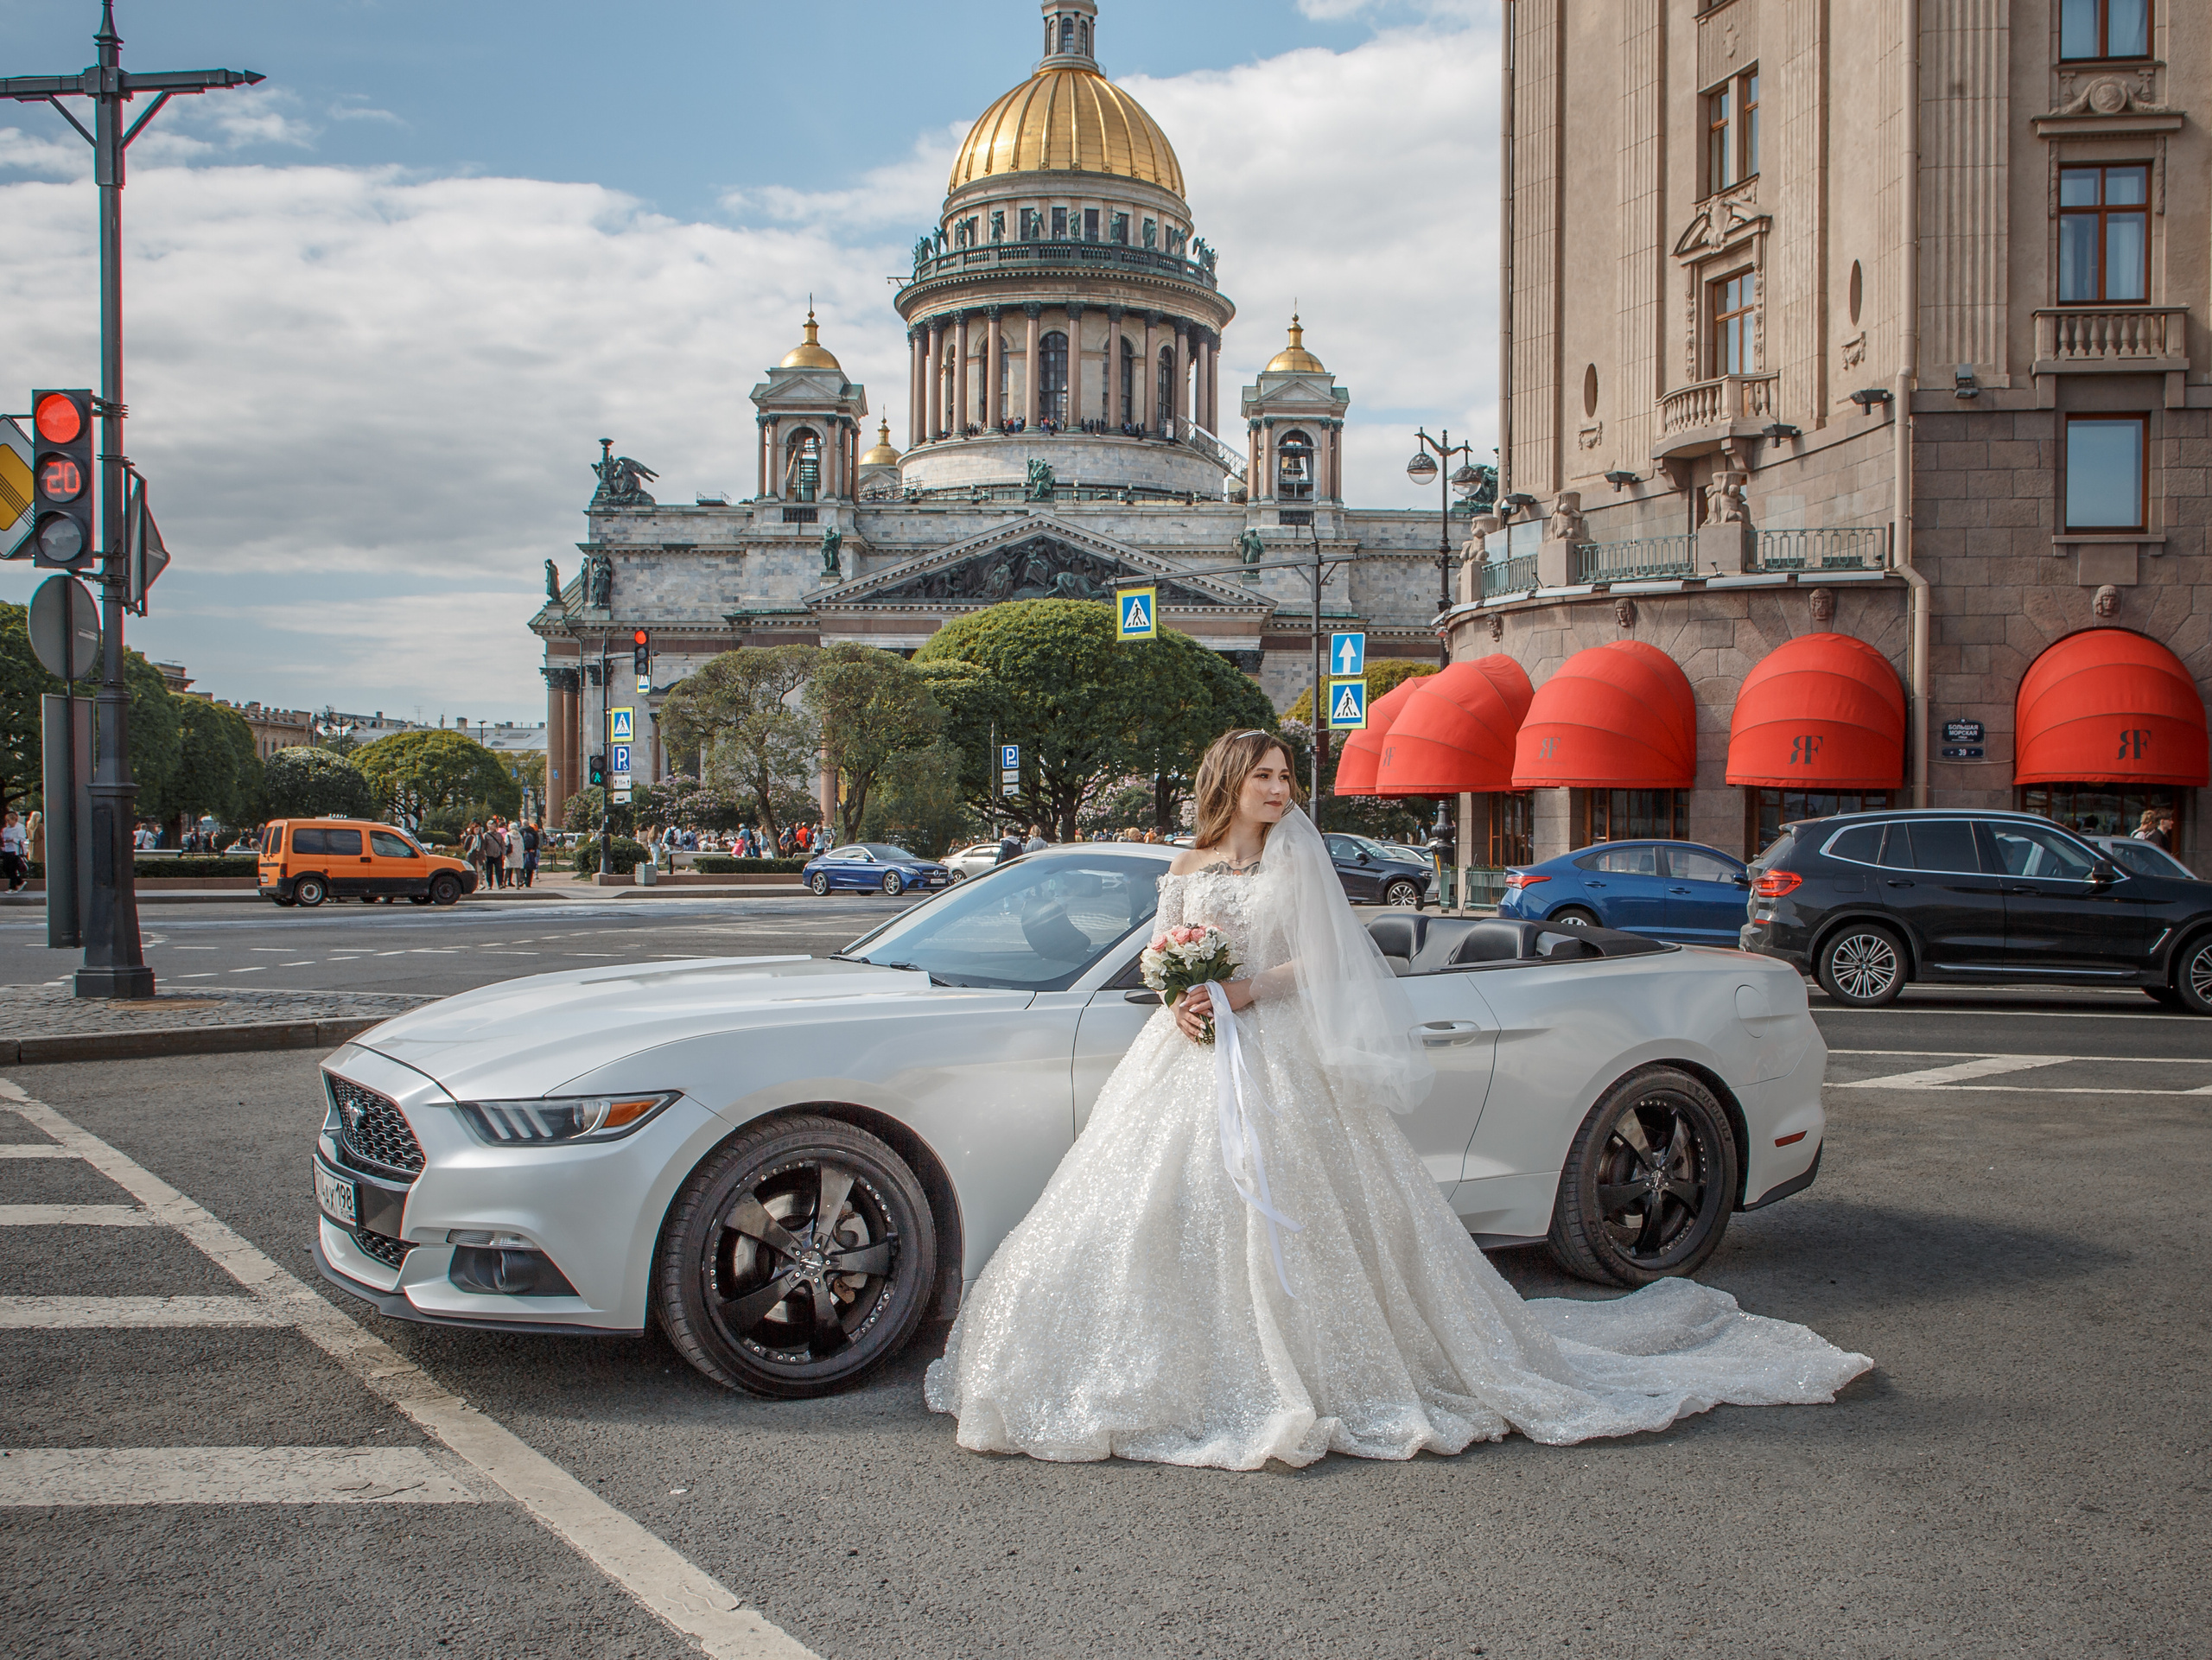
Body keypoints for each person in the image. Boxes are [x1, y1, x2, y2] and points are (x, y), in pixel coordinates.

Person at [926, 728, 1870, 1470]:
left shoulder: (1294, 864)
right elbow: (1162, 949)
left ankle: (1316, 1363)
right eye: (1263, 776)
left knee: (1299, 1204)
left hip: (1278, 1045)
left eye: (1286, 775)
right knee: (1151, 1203)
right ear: (1227, 783)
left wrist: (1245, 991)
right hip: (1189, 1051)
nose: (1279, 790)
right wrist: (1181, 997)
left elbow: (1325, 957)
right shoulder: (1183, 868)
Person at [0, 810, 27, 892]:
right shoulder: (6, 829)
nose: (8, 822)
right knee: (5, 868)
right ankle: (20, 881)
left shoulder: (20, 828)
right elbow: (3, 838)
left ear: (14, 820)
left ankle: (13, 887)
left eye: (9, 820)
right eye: (7, 821)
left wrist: (12, 839)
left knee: (12, 868)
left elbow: (22, 839)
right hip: (7, 850)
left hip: (15, 851)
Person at [519, 819, 540, 887]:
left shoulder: (520, 831)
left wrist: (522, 849)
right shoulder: (533, 831)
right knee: (530, 867)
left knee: (521, 866)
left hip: (523, 851)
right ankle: (528, 883)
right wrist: (533, 849)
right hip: (531, 851)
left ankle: (522, 879)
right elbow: (537, 841)